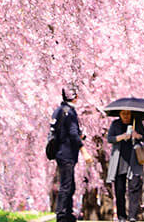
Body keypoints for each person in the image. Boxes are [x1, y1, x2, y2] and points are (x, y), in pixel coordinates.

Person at [106, 109, 144, 222]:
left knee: (134, 188)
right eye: (123, 113)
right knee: (119, 190)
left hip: (134, 161)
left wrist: (137, 135)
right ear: (119, 114)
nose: (126, 116)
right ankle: (121, 216)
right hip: (119, 161)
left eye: (128, 113)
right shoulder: (115, 124)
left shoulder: (137, 123)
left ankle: (132, 216)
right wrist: (122, 137)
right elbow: (110, 138)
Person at [50, 85, 84, 222]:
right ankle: (63, 215)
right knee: (66, 185)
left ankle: (67, 212)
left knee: (70, 184)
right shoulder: (69, 112)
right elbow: (73, 134)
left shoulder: (58, 110)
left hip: (60, 152)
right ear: (75, 97)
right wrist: (84, 149)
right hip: (67, 153)